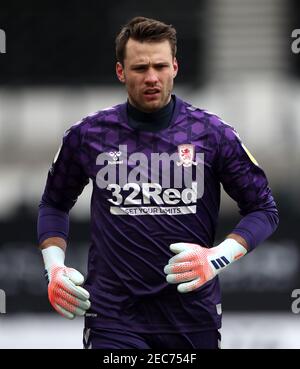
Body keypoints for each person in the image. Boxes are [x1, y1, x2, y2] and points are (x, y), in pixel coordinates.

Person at [37, 16, 279, 349]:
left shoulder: (213, 134)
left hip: (192, 317)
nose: (152, 78)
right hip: (113, 318)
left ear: (175, 67)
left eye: (160, 66)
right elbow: (54, 203)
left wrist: (217, 257)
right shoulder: (88, 135)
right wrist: (54, 269)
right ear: (121, 72)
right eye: (140, 68)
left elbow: (263, 209)